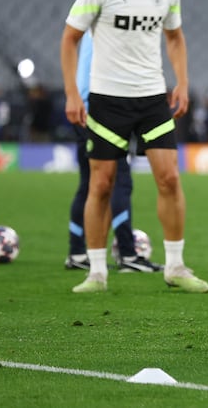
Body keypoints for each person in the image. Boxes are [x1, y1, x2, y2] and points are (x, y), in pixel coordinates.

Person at [60, 0, 208, 294]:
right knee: (102, 185)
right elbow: (69, 39)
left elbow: (175, 37)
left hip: (152, 99)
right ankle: (96, 272)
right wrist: (72, 94)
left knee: (170, 180)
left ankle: (175, 266)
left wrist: (183, 81)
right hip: (108, 100)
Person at [66, 30, 162, 273]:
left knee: (89, 183)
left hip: (85, 108)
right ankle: (128, 254)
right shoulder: (107, 25)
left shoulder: (92, 26)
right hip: (98, 111)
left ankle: (77, 252)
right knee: (120, 181)